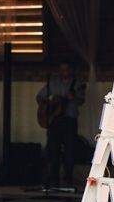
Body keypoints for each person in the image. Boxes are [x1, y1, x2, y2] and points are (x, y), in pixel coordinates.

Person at [36, 62, 86, 190]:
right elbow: (39, 96)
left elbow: (81, 101)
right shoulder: (53, 83)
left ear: (71, 70)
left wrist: (73, 98)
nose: (64, 72)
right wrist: (48, 105)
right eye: (61, 69)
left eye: (66, 69)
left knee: (69, 149)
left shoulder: (78, 84)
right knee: (53, 149)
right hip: (54, 121)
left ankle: (68, 178)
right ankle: (53, 178)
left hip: (70, 119)